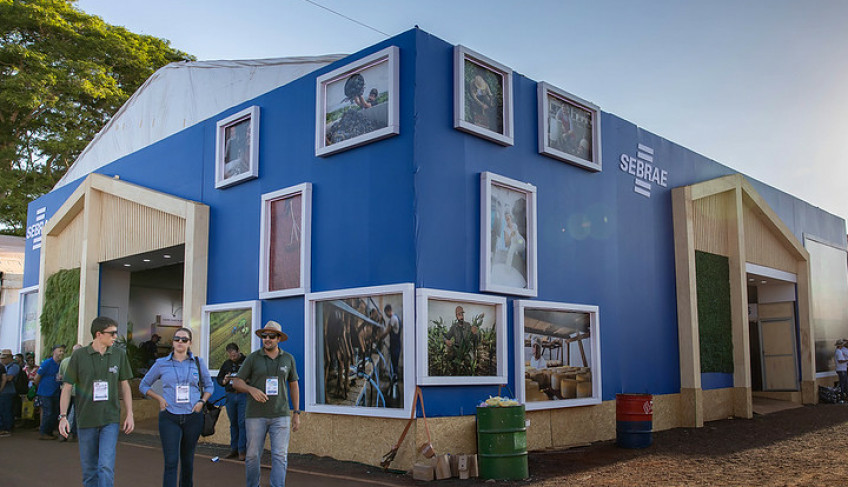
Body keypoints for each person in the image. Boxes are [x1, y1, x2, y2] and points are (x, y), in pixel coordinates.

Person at [59, 316, 135, 487]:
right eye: (112, 333)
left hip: (110, 419)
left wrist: (130, 413)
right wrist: (63, 416)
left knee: (105, 466)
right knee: (89, 470)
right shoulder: (79, 355)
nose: (115, 336)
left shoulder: (119, 354)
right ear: (99, 334)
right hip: (86, 419)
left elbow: (125, 385)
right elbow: (67, 387)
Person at [140, 327, 213, 487]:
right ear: (172, 342)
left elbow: (209, 386)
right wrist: (159, 398)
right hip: (169, 417)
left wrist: (202, 402)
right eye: (177, 339)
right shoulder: (161, 363)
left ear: (190, 343)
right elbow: (143, 385)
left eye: (184, 339)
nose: (180, 342)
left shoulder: (198, 363)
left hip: (193, 416)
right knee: (171, 461)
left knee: (187, 461)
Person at [232, 321, 300, 487]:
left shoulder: (288, 358)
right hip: (255, 415)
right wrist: (250, 389)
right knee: (252, 456)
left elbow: (294, 385)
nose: (267, 339)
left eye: (271, 336)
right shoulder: (253, 358)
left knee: (280, 456)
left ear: (279, 338)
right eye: (264, 336)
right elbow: (236, 382)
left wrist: (296, 413)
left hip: (280, 415)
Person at [217, 342, 247, 460]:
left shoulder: (246, 361)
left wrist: (243, 380)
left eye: (234, 355)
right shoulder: (226, 364)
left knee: (242, 423)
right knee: (233, 423)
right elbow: (220, 379)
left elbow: (254, 376)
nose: (232, 357)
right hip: (230, 395)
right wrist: (224, 381)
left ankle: (242, 450)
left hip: (243, 395)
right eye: (230, 355)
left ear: (238, 351)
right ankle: (234, 449)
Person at [34, 344, 65, 440]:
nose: (62, 353)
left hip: (56, 392)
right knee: (48, 412)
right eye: (60, 351)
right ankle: (44, 432)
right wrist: (40, 388)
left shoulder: (61, 364)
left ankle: (49, 432)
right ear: (54, 351)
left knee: (55, 412)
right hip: (45, 393)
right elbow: (37, 378)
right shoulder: (47, 363)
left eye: (63, 351)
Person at [57, 344, 83, 442]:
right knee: (76, 413)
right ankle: (72, 433)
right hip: (77, 391)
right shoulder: (82, 362)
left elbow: (60, 376)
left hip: (65, 391)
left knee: (64, 412)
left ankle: (62, 432)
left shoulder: (64, 361)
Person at [0, 349, 18, 437]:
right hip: (4, 391)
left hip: (8, 391)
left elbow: (9, 378)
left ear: (10, 357)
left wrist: (2, 376)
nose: (2, 360)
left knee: (6, 410)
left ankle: (7, 428)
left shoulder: (14, 366)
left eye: (4, 358)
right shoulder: (4, 366)